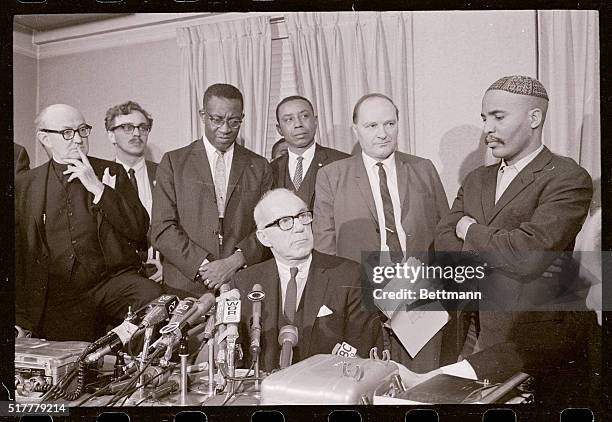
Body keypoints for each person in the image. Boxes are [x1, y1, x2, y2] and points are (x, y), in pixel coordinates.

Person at [435, 75, 593, 384]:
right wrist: (503, 251)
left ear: (534, 118)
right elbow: (443, 240)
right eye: (484, 118)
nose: (487, 129)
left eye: (498, 117)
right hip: (469, 331)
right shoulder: (476, 179)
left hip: (528, 340)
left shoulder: (567, 177)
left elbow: (529, 253)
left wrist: (469, 230)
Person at [313, 93, 450, 372]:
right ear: (356, 130)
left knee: (421, 383)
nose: (383, 134)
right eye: (371, 126)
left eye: (390, 124)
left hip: (418, 293)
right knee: (368, 385)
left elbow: (444, 232)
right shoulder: (331, 175)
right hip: (362, 295)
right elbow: (325, 248)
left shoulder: (423, 168)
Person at [15, 104, 163, 341]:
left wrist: (98, 188)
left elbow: (138, 228)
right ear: (45, 138)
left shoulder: (111, 171)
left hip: (110, 283)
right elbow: (20, 256)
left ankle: (147, 371)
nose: (78, 139)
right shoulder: (26, 184)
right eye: (67, 132)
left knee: (151, 296)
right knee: (77, 369)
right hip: (61, 295)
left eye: (82, 130)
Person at [232, 188, 382, 372]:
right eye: (285, 221)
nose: (300, 227)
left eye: (302, 216)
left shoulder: (350, 275)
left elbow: (362, 352)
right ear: (264, 237)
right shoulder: (244, 282)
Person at [151, 83, 273, 297]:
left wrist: (234, 262)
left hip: (242, 282)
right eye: (216, 120)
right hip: (185, 284)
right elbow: (162, 227)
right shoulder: (173, 162)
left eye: (234, 122)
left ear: (242, 118)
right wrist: (204, 267)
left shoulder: (260, 165)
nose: (225, 129)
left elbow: (268, 226)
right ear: (202, 115)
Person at [106, 100, 162, 282]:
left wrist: (168, 267)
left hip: (162, 272)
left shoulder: (165, 174)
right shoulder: (100, 179)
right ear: (111, 135)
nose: (137, 133)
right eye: (127, 128)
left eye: (142, 127)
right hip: (117, 278)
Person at [271, 96, 349, 209]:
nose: (298, 124)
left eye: (304, 116)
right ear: (279, 129)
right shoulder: (270, 170)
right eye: (289, 119)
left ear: (315, 121)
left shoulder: (342, 163)